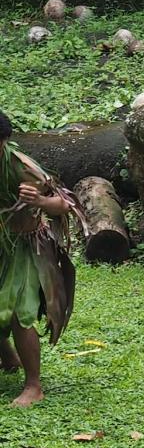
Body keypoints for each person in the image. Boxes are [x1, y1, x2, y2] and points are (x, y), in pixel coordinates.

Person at [0, 111, 81, 407]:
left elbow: (64, 204)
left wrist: (40, 201)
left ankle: (33, 385)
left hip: (26, 247)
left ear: (3, 142)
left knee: (21, 311)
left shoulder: (23, 168)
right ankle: (8, 357)